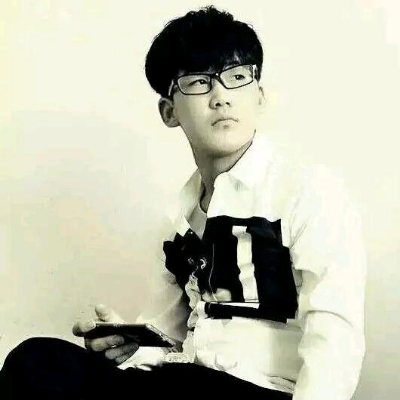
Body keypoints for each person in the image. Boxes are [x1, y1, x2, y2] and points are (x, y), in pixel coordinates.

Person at [0, 5, 366, 400]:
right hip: (185, 381)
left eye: (237, 78)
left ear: (259, 97)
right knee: (36, 360)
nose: (221, 97)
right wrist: (130, 344)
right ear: (169, 111)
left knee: (183, 384)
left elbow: (335, 335)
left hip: (263, 389)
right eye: (199, 82)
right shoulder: (179, 218)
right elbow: (168, 337)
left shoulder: (309, 190)